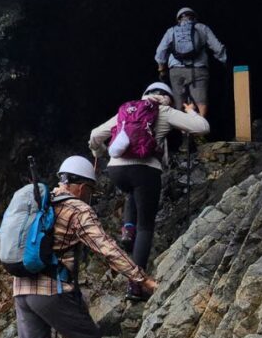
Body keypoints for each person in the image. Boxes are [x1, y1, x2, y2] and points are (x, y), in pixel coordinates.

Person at [15, 156, 157, 338]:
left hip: (21, 288)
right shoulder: (77, 209)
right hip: (50, 289)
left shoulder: (38, 202)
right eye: (91, 191)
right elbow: (107, 249)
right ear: (82, 187)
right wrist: (142, 279)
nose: (90, 196)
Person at [88, 82, 209, 300]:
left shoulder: (128, 111)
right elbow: (202, 128)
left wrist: (101, 152)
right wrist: (191, 112)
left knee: (131, 193)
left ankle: (127, 230)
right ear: (168, 98)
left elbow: (95, 134)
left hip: (116, 170)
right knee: (146, 226)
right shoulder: (164, 110)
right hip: (145, 170)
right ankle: (135, 286)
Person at [155, 7, 227, 118]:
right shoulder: (202, 28)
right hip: (198, 70)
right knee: (201, 101)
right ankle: (200, 128)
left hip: (176, 71)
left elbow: (160, 52)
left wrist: (162, 70)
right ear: (194, 18)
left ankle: (184, 132)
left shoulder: (172, 30)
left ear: (179, 19)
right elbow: (217, 48)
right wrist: (223, 61)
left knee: (179, 103)